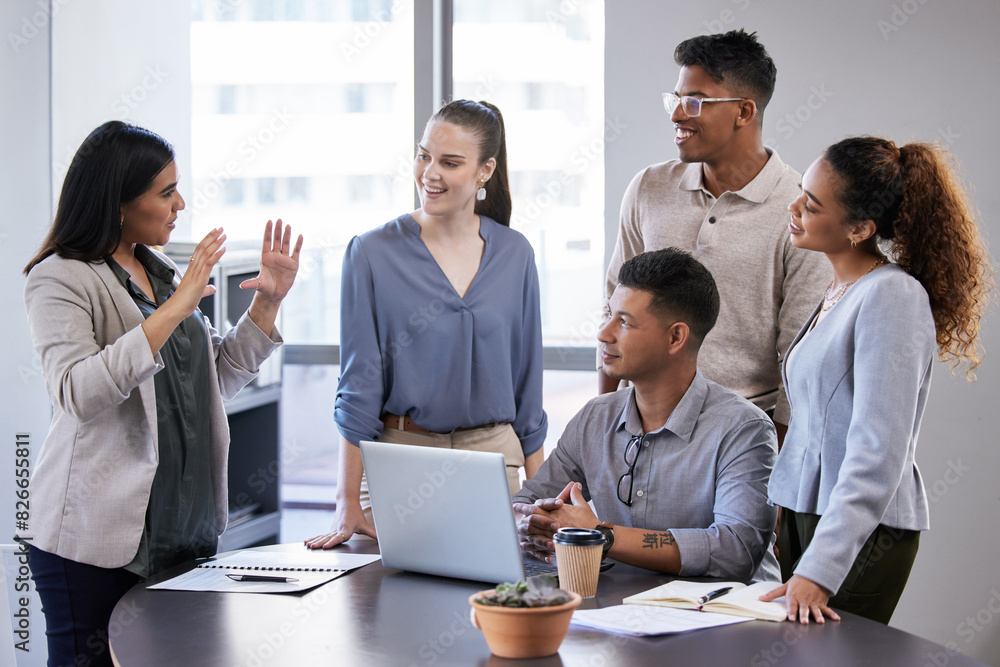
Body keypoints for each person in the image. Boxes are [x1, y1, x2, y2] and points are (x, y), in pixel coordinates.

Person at [21, 120, 302, 666]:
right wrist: (179, 306)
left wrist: (266, 302)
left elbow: (214, 379)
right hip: (95, 546)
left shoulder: (163, 270)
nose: (180, 205)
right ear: (119, 203)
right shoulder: (59, 277)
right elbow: (77, 391)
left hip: (186, 536)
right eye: (166, 192)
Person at [759, 137, 992, 624]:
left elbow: (878, 450)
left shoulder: (892, 297)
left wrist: (821, 568)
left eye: (813, 203)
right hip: (808, 517)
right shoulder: (841, 289)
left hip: (862, 531)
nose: (794, 206)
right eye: (801, 191)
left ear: (861, 227)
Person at [306, 100, 547, 549]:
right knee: (390, 612)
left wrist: (542, 501)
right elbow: (358, 387)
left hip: (494, 463)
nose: (429, 173)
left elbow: (528, 390)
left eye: (449, 162)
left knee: (494, 607)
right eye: (424, 156)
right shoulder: (372, 253)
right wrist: (346, 502)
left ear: (484, 171)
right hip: (400, 461)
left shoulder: (516, 254)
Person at [601, 29, 831, 442]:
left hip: (740, 438)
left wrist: (774, 467)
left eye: (694, 102)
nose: (676, 115)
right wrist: (601, 429)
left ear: (744, 112)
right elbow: (613, 309)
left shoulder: (798, 209)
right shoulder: (648, 188)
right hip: (638, 428)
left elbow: (800, 358)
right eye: (675, 100)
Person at [515, 248, 779, 582]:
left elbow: (735, 551)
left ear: (675, 337)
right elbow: (526, 501)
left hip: (722, 616)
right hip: (624, 610)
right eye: (609, 315)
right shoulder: (596, 417)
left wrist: (601, 533)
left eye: (624, 321)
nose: (603, 333)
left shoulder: (745, 429)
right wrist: (527, 521)